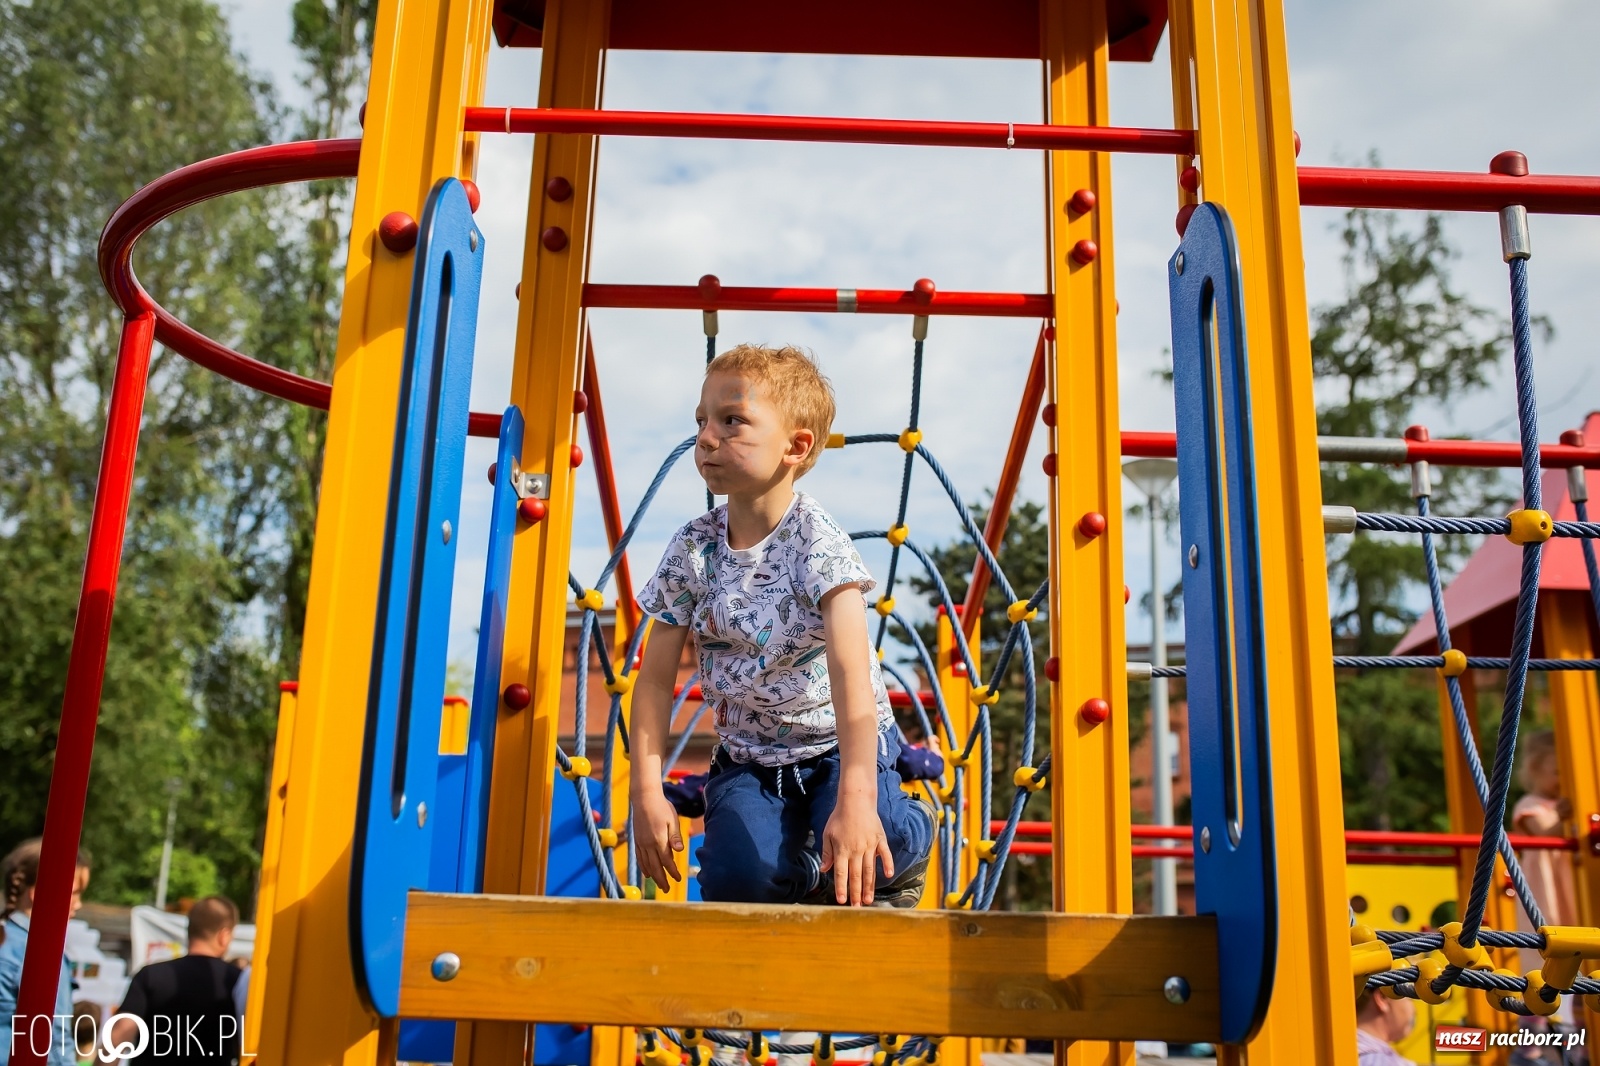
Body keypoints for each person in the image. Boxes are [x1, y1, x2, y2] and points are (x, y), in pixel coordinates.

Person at [631, 344, 933, 907]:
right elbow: (651, 681)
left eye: (732, 420)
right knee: (738, 886)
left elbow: (851, 675)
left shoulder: (817, 544)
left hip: (839, 745)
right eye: (701, 421)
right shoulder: (692, 550)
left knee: (878, 838)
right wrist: (646, 791)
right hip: (749, 756)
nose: (705, 436)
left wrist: (858, 796)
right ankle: (802, 866)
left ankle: (916, 825)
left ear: (796, 446)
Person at [1509, 730, 1579, 1054]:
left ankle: (1573, 1042)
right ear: (1535, 769)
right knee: (1543, 967)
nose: (1562, 780)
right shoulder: (1531, 805)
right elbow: (1544, 832)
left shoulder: (1571, 806)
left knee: (1575, 965)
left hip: (1568, 895)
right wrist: (1562, 819)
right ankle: (1529, 1049)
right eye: (1556, 772)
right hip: (1543, 896)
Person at [110, 896, 244, 1065]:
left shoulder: (150, 975)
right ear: (224, 935)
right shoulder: (237, 982)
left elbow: (120, 1034)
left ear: (190, 930)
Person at [0, 838, 91, 1066]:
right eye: (74, 893)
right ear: (37, 892)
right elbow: (53, 1038)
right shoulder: (40, 954)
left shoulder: (6, 940)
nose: (78, 904)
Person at [1355, 988, 1418, 1066]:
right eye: (1410, 998)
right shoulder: (1376, 1061)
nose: (1415, 1009)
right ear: (1382, 997)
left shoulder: (1343, 1050)